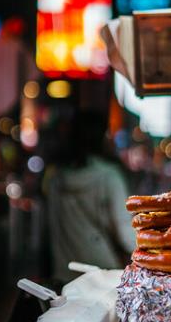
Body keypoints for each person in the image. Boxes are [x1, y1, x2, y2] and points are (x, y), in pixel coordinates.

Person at [45, 109, 135, 282]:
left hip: (64, 273)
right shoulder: (109, 176)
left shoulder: (56, 177)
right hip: (101, 274)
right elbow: (125, 233)